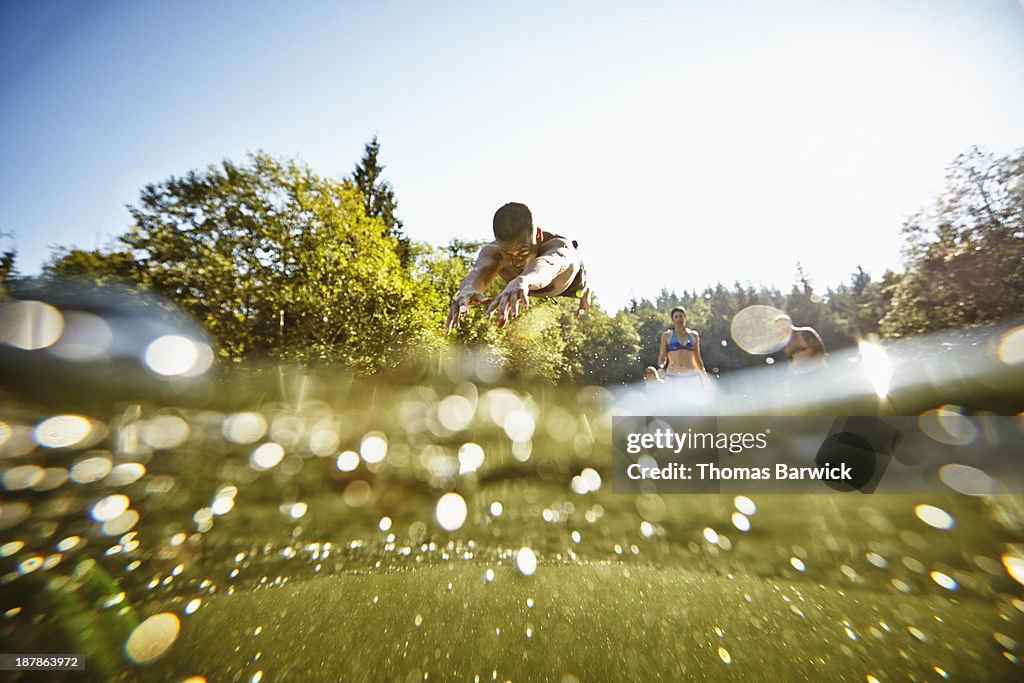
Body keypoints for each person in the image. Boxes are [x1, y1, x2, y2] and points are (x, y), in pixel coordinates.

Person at [446, 202, 591, 333]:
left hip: (571, 283)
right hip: (533, 283)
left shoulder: (559, 248)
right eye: (508, 254)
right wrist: (467, 290)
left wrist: (524, 280)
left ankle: (586, 293)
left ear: (539, 236)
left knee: (581, 289)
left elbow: (548, 264)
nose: (516, 261)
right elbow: (478, 273)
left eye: (523, 252)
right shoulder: (494, 253)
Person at [657, 307, 711, 389]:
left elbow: (697, 358)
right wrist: (661, 368)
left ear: (685, 318)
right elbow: (662, 356)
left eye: (681, 316)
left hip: (692, 377)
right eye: (676, 317)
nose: (679, 319)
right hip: (672, 377)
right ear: (672, 320)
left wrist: (704, 377)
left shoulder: (693, 335)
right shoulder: (666, 336)